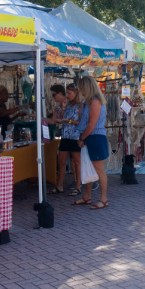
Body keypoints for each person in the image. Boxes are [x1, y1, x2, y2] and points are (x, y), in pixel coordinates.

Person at [73, 76, 109, 210]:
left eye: (81, 88)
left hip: (95, 137)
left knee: (99, 170)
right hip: (91, 137)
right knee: (89, 167)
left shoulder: (95, 101)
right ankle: (87, 195)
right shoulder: (89, 102)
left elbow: (92, 124)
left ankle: (104, 199)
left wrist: (82, 138)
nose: (80, 91)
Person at [47, 84, 82, 196]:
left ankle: (78, 185)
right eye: (66, 93)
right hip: (65, 135)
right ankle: (60, 185)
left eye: (69, 93)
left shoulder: (79, 106)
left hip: (75, 136)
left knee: (76, 162)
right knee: (61, 160)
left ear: (75, 93)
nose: (67, 95)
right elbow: (58, 119)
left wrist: (69, 121)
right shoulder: (64, 105)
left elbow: (81, 122)